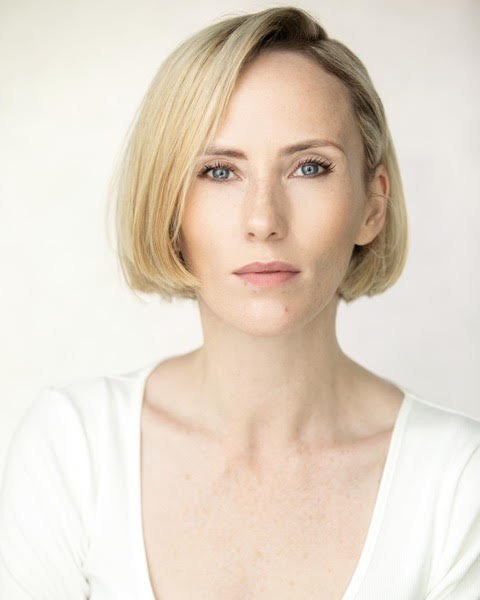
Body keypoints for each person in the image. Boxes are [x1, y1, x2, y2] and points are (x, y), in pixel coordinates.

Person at [1, 6, 479, 599]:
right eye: (219, 172)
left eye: (309, 167)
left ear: (372, 207)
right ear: (167, 205)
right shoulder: (73, 450)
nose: (263, 220)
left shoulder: (457, 480)